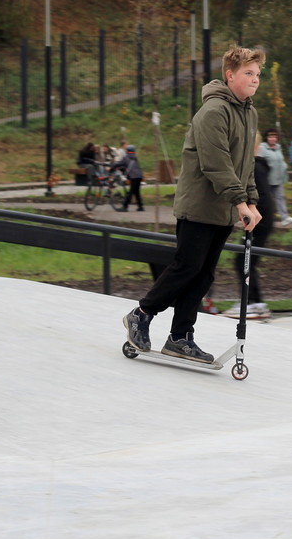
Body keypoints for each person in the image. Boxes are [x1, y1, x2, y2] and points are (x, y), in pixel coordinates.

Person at [122, 45, 265, 364]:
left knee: (203, 275)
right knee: (186, 267)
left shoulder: (248, 113)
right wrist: (239, 200)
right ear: (230, 75)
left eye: (257, 74)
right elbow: (217, 163)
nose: (255, 80)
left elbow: (245, 165)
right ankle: (141, 314)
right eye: (248, 74)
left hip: (224, 208)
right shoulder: (214, 112)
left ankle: (181, 337)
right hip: (200, 205)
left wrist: (251, 200)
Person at [223, 136, 275, 319]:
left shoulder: (253, 166)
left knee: (243, 261)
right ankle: (256, 302)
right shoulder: (254, 165)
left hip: (260, 220)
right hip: (260, 220)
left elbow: (258, 196)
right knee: (246, 261)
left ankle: (253, 302)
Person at [257, 128, 292, 225]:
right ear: (267, 138)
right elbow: (259, 163)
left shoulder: (278, 148)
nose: (273, 139)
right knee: (265, 201)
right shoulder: (262, 148)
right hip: (266, 181)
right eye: (270, 136)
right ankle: (262, 219)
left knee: (280, 198)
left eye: (274, 136)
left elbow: (281, 162)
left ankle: (284, 217)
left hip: (278, 179)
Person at [110, 144, 145, 211]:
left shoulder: (126, 157)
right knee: (136, 192)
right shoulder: (135, 158)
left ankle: (125, 207)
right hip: (139, 176)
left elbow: (118, 163)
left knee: (131, 192)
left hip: (133, 176)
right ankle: (140, 206)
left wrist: (112, 166)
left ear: (127, 151)